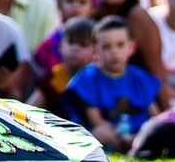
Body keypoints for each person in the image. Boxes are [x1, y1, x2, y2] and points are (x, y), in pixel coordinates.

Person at [67, 17, 160, 152]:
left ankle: (138, 145)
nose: (114, 51)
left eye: (120, 45)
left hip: (138, 133)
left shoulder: (139, 77)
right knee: (99, 134)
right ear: (95, 51)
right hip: (108, 133)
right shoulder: (89, 77)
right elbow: (96, 120)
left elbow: (154, 115)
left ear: (131, 47)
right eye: (106, 47)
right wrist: (121, 136)